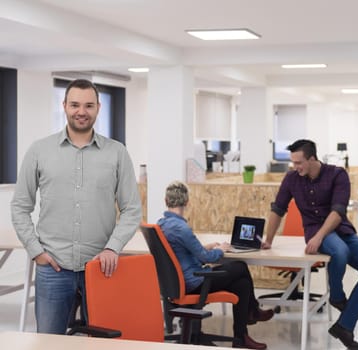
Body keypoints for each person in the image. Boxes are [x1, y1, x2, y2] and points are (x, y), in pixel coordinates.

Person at [10, 79, 142, 335]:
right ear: (64, 106)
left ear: (98, 108)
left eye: (88, 105)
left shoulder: (117, 153)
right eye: (75, 105)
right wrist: (36, 251)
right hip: (53, 267)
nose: (81, 111)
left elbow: (132, 209)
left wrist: (113, 248)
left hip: (101, 267)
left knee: (106, 339)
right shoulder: (40, 151)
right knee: (50, 341)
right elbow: (20, 206)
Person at [262, 139, 358, 350]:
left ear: (312, 158)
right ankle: (337, 296)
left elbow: (337, 211)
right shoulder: (292, 179)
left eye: (299, 162)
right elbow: (278, 209)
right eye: (293, 163)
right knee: (339, 251)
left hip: (341, 230)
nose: (295, 167)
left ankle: (344, 326)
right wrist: (268, 240)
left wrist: (319, 237)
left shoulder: (337, 175)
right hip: (316, 232)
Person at [157, 181, 273, 350]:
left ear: (166, 200)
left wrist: (208, 246)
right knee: (240, 266)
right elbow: (206, 258)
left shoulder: (162, 225)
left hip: (177, 284)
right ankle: (252, 311)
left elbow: (182, 253)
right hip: (195, 283)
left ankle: (241, 338)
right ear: (187, 202)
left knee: (242, 284)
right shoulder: (182, 228)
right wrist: (220, 249)